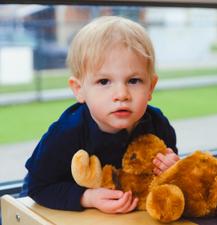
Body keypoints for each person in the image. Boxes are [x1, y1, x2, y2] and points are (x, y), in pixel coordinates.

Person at [20, 16, 179, 214]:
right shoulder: (67, 132)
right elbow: (38, 187)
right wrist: (86, 197)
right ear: (79, 90)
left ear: (150, 87)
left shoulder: (158, 125)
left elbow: (169, 177)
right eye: (104, 82)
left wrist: (173, 170)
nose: (121, 94)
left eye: (134, 80)